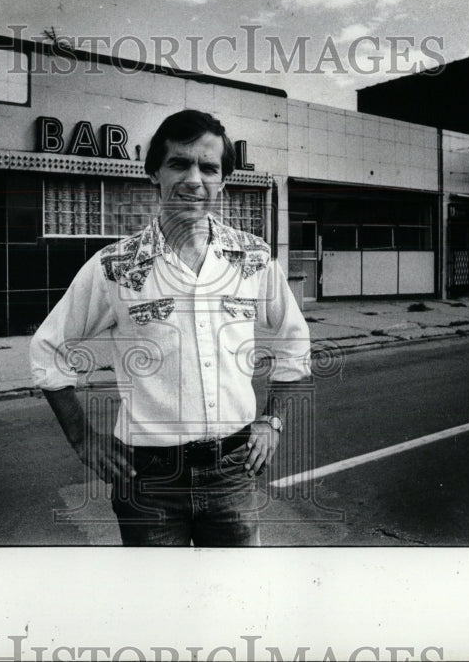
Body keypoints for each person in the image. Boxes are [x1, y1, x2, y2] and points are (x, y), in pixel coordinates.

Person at [29, 109, 312, 546]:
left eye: (209, 167)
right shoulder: (117, 265)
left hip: (232, 475)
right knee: (160, 607)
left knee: (238, 604)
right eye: (179, 163)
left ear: (223, 181)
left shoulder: (251, 257)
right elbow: (48, 350)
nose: (194, 179)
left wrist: (272, 421)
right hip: (148, 481)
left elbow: (295, 341)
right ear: (153, 175)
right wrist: (84, 439)